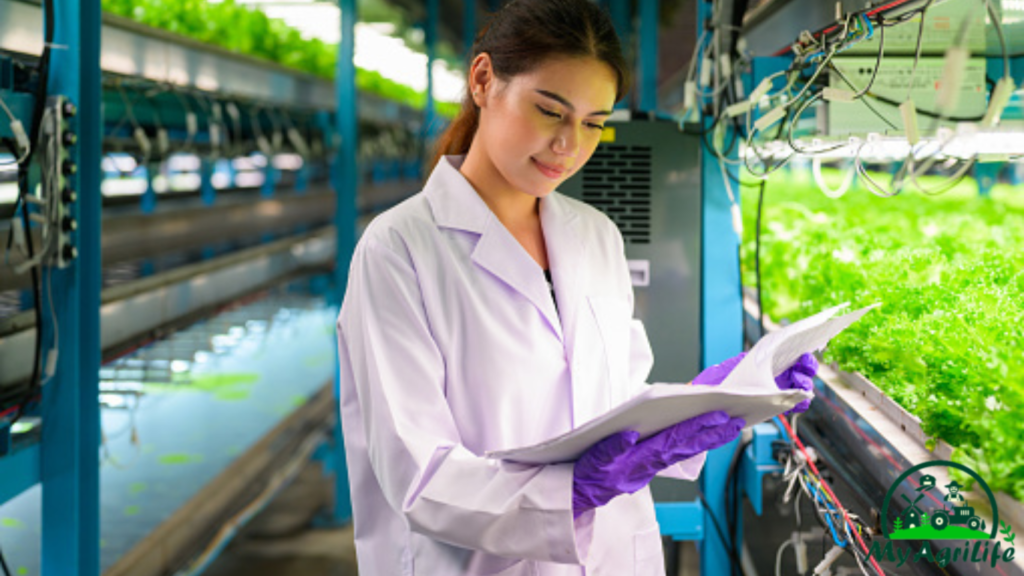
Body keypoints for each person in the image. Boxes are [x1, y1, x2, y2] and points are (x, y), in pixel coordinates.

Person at [335, 0, 818, 573]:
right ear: (484, 80)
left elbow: (613, 405)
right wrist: (568, 492)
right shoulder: (400, 250)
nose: (570, 144)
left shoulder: (595, 235)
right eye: (549, 111)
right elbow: (416, 474)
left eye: (593, 123)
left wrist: (708, 409)